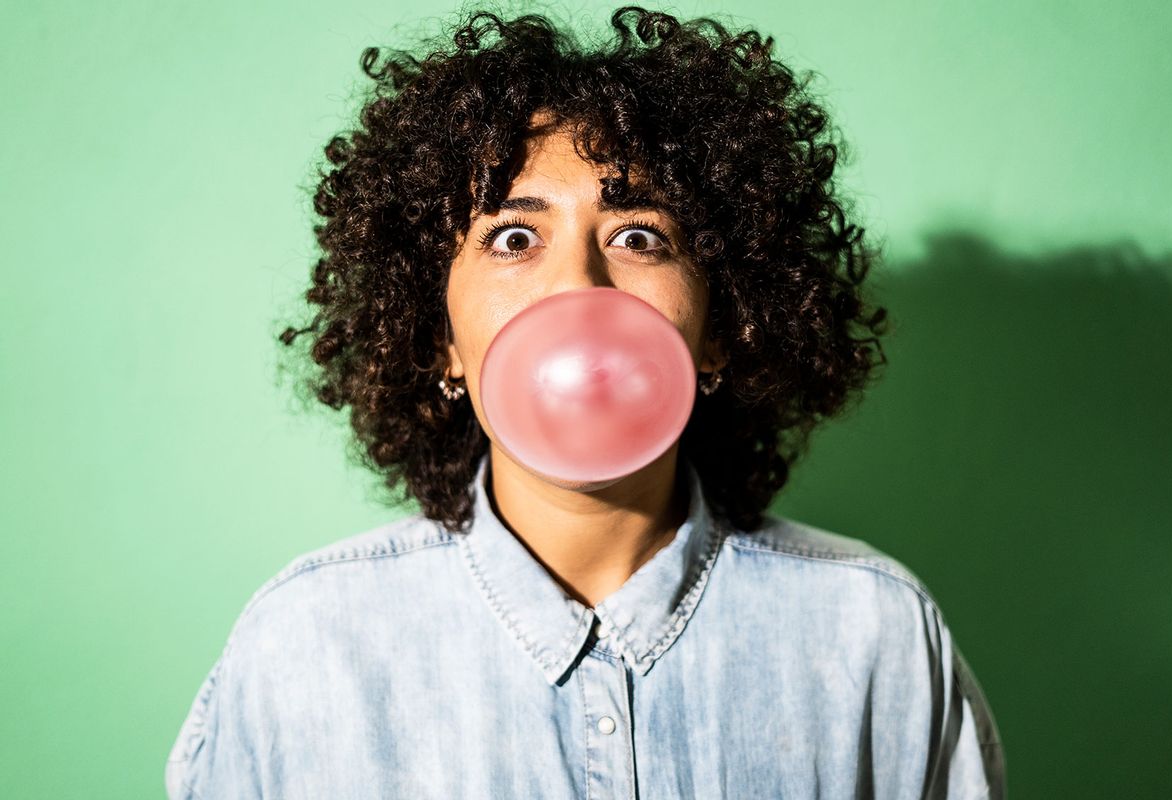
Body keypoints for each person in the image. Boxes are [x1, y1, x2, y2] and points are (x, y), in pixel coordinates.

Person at [165, 6, 1005, 798]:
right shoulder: (307, 645)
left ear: (722, 327)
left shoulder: (872, 633)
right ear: (438, 341)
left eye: (639, 236)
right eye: (513, 237)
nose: (579, 285)